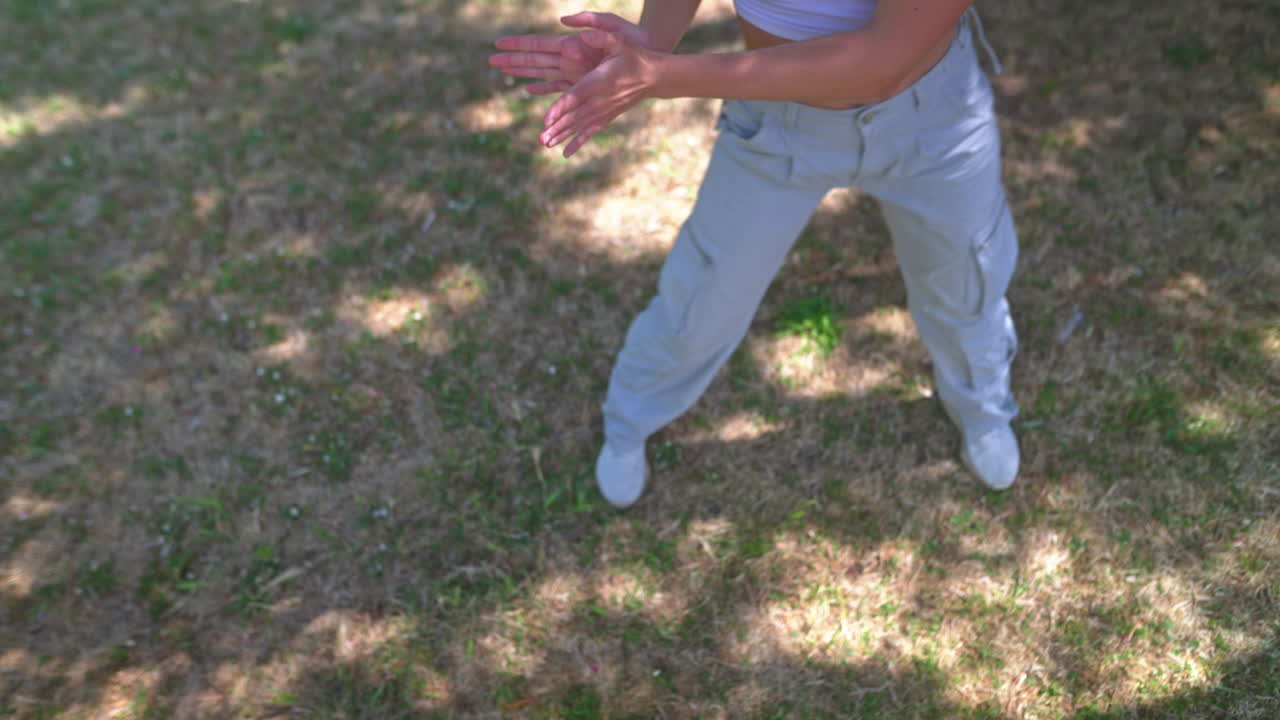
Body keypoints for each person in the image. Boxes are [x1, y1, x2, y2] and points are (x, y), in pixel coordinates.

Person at [490, 0, 1021, 508]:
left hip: (932, 121)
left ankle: (983, 409)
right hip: (776, 124)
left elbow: (882, 62)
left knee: (965, 280)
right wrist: (648, 46)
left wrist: (662, 75)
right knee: (706, 293)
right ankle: (629, 423)